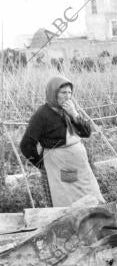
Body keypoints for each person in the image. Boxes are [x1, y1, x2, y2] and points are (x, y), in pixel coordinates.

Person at [20, 75, 104, 207]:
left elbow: (87, 133)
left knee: (87, 193)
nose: (68, 96)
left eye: (70, 92)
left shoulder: (68, 110)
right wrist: (40, 164)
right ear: (53, 93)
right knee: (68, 196)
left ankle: (91, 219)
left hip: (78, 163)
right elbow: (26, 144)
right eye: (63, 92)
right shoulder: (42, 114)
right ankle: (71, 222)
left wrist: (74, 114)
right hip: (60, 164)